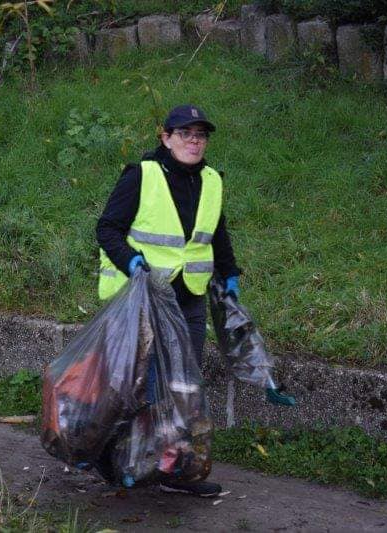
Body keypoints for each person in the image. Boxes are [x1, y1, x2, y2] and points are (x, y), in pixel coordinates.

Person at [96, 104, 239, 497]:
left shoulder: (211, 180)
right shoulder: (141, 175)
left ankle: (174, 469)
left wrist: (229, 274)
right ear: (166, 138)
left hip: (189, 299)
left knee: (183, 384)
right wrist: (132, 262)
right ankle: (120, 457)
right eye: (185, 134)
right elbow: (107, 229)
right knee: (144, 384)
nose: (195, 141)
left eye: (201, 135)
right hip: (145, 299)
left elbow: (216, 232)